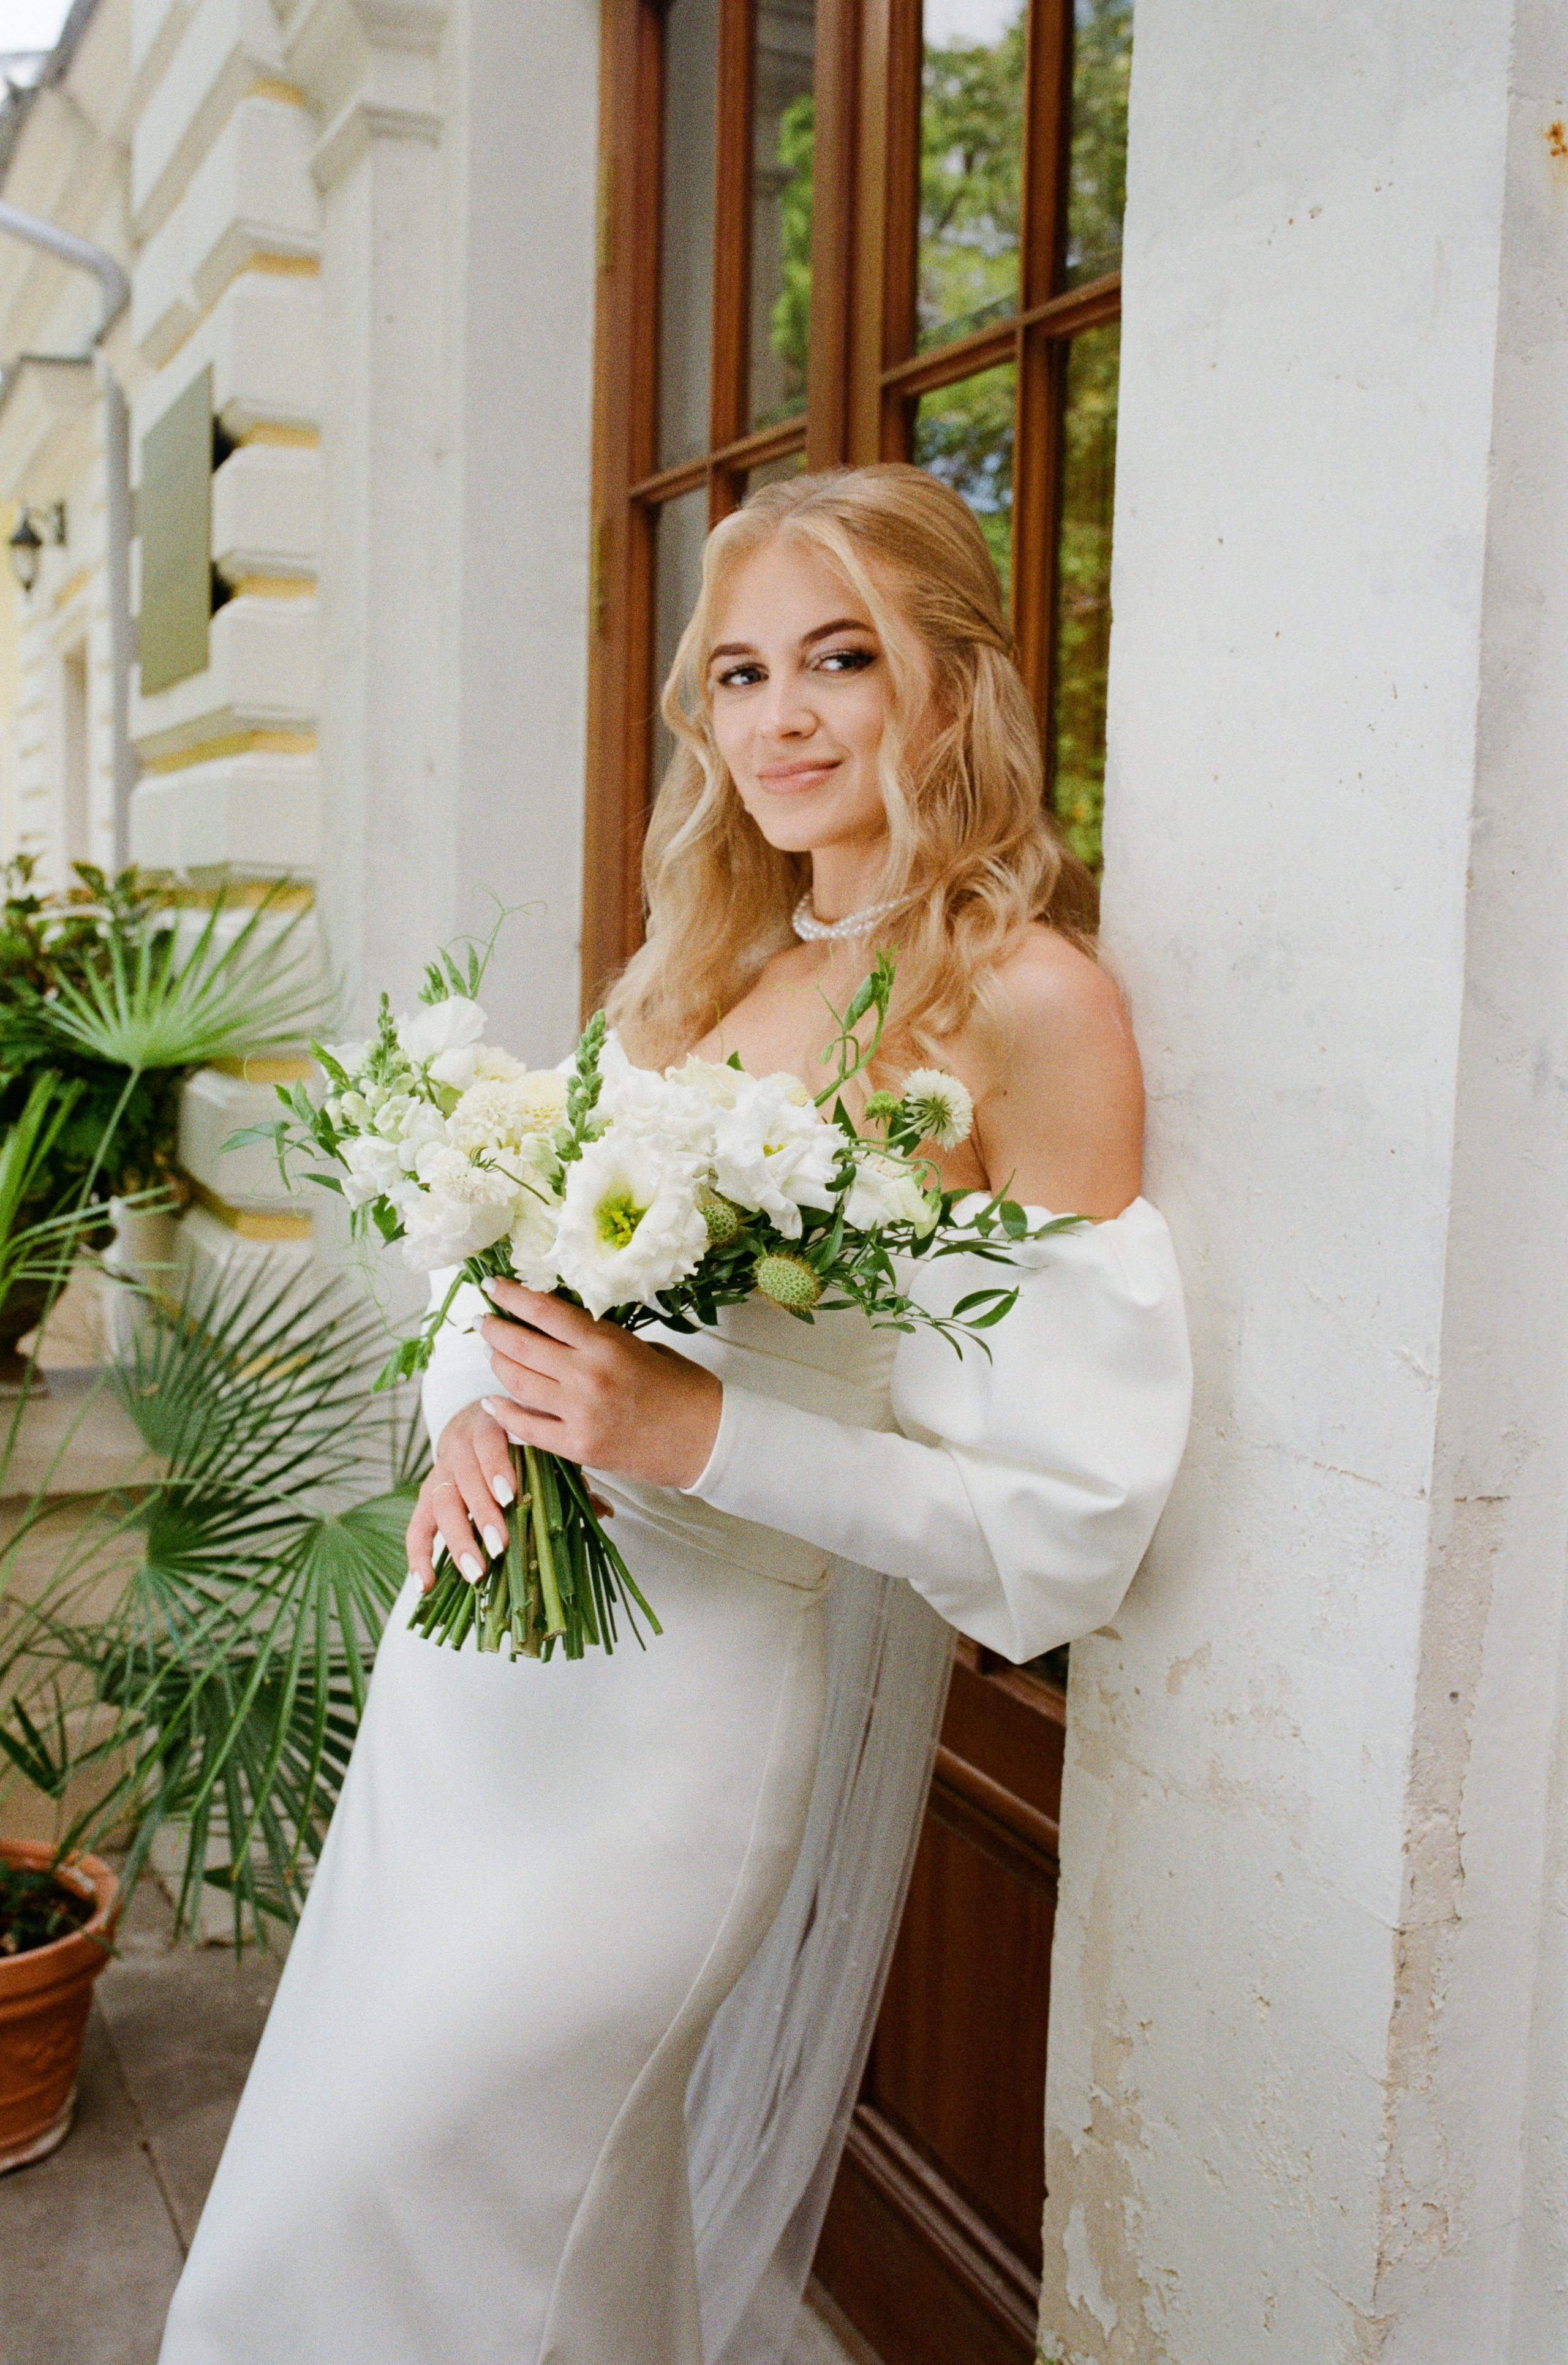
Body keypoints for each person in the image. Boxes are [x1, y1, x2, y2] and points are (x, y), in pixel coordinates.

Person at [159, 464, 1191, 2365]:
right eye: (737, 674)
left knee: (421, 2202)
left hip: (676, 1726)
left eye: (840, 659)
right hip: (472, 1680)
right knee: (418, 2207)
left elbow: (1065, 1524)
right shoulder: (704, 966)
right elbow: (518, 1275)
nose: (781, 718)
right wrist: (482, 1409)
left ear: (952, 687)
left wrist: (698, 1437)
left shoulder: (1030, 1006)